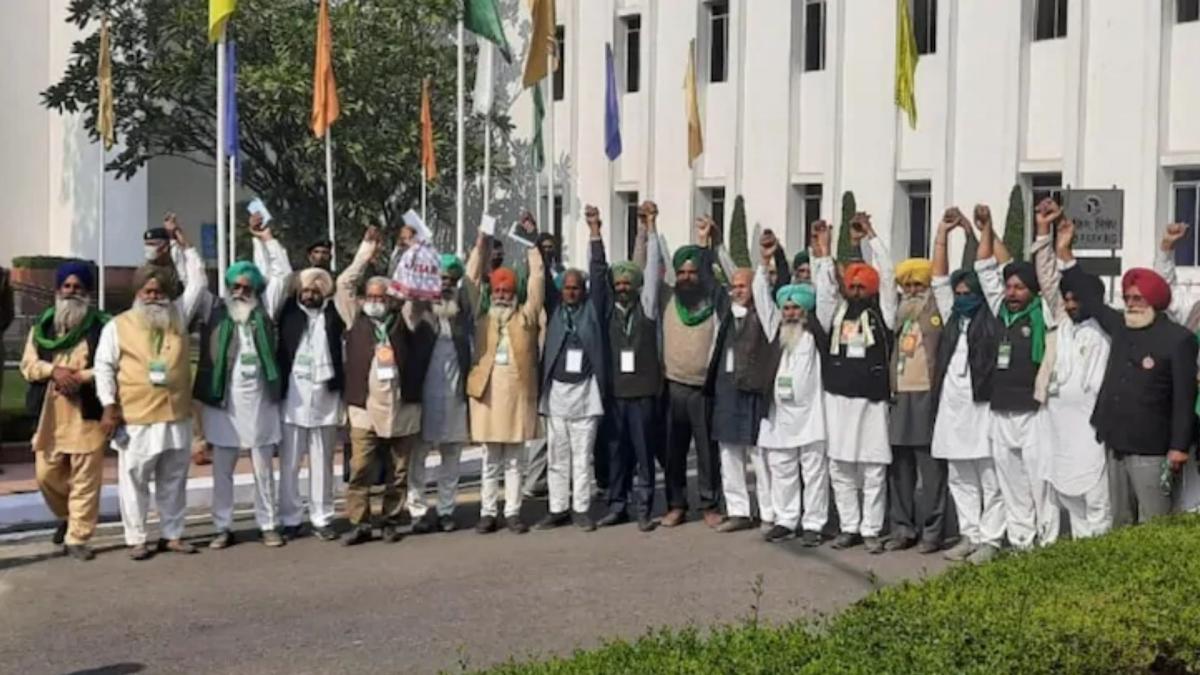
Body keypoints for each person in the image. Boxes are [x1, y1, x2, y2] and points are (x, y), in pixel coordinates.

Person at [1061, 224, 1198, 526]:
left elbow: (1184, 400)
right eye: (1128, 298)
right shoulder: (1122, 326)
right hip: (1117, 442)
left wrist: (1178, 447)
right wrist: (1066, 254)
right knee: (1121, 521)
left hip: (1154, 448)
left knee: (1155, 522)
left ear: (1155, 300)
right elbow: (1091, 299)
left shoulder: (1178, 339)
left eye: (1138, 298)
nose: (1132, 304)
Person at [94, 226, 207, 560]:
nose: (154, 297)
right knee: (135, 481)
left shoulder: (179, 316)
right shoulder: (119, 325)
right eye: (148, 292)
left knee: (173, 479)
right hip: (137, 416)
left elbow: (198, 281)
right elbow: (103, 367)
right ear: (138, 293)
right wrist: (108, 404)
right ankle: (137, 538)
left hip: (176, 414)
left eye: (159, 292)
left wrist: (183, 246)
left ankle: (173, 534)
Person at [194, 216, 291, 549]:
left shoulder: (266, 312)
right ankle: (222, 527)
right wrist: (184, 250)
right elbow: (193, 286)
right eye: (236, 287)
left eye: (246, 288)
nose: (240, 292)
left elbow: (282, 275)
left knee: (263, 469)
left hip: (260, 403)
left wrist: (267, 240)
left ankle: (268, 524)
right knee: (222, 471)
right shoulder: (215, 311)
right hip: (223, 404)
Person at [336, 226, 436, 546]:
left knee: (398, 470)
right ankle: (360, 522)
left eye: (383, 296)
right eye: (372, 297)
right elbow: (344, 283)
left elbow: (417, 295)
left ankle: (392, 518)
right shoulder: (355, 318)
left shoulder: (403, 318)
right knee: (362, 467)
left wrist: (416, 250)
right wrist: (367, 250)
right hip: (364, 407)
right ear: (365, 299)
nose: (377, 301)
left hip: (401, 406)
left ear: (390, 299)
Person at [974, 204, 1059, 552]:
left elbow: (1049, 274)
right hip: (1001, 409)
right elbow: (984, 271)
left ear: (1032, 291)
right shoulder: (999, 312)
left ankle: (1049, 541)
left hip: (1034, 410)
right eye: (1008, 286)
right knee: (1010, 480)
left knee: (1040, 479)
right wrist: (986, 230)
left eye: (1019, 287)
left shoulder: (1044, 312)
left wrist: (1043, 232)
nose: (1011, 292)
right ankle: (1022, 540)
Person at [811, 214, 894, 554]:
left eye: (862, 286)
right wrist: (826, 250)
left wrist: (871, 237)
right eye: (852, 286)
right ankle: (849, 527)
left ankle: (872, 529)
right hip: (838, 400)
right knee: (840, 466)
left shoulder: (882, 313)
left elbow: (888, 275)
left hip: (872, 402)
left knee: (873, 468)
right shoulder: (837, 311)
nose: (856, 290)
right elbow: (825, 289)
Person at [1029, 201, 1112, 540]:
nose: (1070, 303)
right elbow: (1049, 280)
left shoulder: (1107, 326)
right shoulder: (1062, 321)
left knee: (1097, 501)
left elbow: (1076, 285)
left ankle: (1100, 562)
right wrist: (1045, 235)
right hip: (1058, 426)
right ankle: (1078, 560)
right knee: (1068, 497)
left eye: (1077, 299)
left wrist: (1068, 253)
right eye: (1068, 299)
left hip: (1093, 429)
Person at [929, 209, 1004, 564]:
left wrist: (985, 230)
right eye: (958, 293)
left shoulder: (991, 316)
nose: (961, 297)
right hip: (952, 410)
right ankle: (969, 533)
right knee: (960, 477)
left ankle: (991, 539)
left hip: (983, 408)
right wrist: (942, 234)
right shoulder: (952, 319)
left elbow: (994, 273)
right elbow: (938, 279)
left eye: (966, 292)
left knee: (990, 477)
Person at [19, 262, 109, 560]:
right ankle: (68, 516)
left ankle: (78, 538)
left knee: (85, 478)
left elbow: (110, 367)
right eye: (67, 287)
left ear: (87, 292)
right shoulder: (41, 328)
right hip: (51, 414)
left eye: (78, 287)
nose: (72, 292)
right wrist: (53, 371)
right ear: (58, 291)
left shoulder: (102, 327)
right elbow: (28, 366)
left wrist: (79, 378)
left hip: (86, 411)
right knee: (46, 475)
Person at [708, 232, 789, 534]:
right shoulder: (727, 314)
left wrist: (767, 259)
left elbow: (767, 287)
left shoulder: (766, 317)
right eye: (734, 286)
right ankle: (739, 510)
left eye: (742, 286)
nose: (736, 291)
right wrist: (713, 245)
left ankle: (767, 511)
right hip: (727, 392)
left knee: (759, 455)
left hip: (754, 391)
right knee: (729, 454)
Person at [534, 207, 609, 532]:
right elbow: (542, 276)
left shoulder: (592, 309)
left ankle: (580, 509)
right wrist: (534, 241)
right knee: (557, 455)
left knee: (582, 456)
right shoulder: (554, 308)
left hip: (586, 392)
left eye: (577, 288)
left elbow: (599, 270)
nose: (572, 292)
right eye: (567, 288)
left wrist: (594, 232)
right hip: (557, 394)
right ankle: (557, 508)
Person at [466, 229, 545, 534]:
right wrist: (480, 245)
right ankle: (488, 512)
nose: (501, 295)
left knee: (514, 461)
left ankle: (512, 512)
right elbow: (472, 282)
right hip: (486, 396)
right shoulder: (481, 318)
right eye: (497, 291)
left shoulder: (526, 317)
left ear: (514, 294)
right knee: (490, 460)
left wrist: (530, 245)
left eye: (506, 291)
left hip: (517, 397)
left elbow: (537, 281)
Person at [659, 217, 734, 528]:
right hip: (673, 386)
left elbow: (720, 277)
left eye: (693, 271)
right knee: (673, 452)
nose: (688, 277)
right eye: (683, 272)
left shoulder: (713, 299)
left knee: (707, 452)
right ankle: (676, 504)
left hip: (704, 388)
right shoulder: (667, 298)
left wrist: (707, 244)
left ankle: (709, 505)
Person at [753, 238, 828, 546]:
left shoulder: (816, 332)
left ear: (806, 310)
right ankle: (786, 519)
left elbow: (828, 296)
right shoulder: (776, 331)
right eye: (786, 307)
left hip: (811, 417)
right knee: (781, 468)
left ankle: (814, 523)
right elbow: (761, 297)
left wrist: (822, 256)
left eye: (796, 307)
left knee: (813, 473)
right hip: (780, 415)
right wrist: (765, 261)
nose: (790, 312)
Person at [598, 201, 663, 532]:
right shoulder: (608, 311)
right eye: (619, 284)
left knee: (643, 452)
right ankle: (616, 504)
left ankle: (644, 509)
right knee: (616, 452)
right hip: (615, 394)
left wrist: (650, 230)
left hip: (643, 395)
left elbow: (651, 271)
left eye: (628, 283)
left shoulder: (647, 308)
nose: (623, 287)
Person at [273, 260, 343, 543]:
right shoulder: (288, 313)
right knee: (290, 464)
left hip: (325, 397)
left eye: (316, 290)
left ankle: (322, 517)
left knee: (322, 464)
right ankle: (290, 518)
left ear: (324, 292)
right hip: (294, 399)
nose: (310, 294)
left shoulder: (334, 315)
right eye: (306, 290)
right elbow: (279, 280)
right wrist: (267, 241)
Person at [886, 253, 950, 554]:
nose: (911, 290)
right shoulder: (897, 313)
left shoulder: (938, 308)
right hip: (900, 394)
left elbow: (943, 280)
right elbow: (886, 278)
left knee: (931, 467)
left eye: (917, 284)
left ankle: (933, 531)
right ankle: (902, 527)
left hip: (927, 394)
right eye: (907, 285)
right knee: (900, 467)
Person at [408, 253, 473, 534]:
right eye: (441, 278)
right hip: (423, 396)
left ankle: (446, 510)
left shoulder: (461, 314)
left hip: (455, 396)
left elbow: (475, 281)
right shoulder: (419, 312)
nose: (445, 284)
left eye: (450, 279)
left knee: (452, 455)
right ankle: (417, 510)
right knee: (418, 455)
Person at [1155, 221, 1200, 513]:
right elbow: (1165, 295)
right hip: (1192, 411)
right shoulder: (1195, 308)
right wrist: (1167, 249)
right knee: (1190, 494)